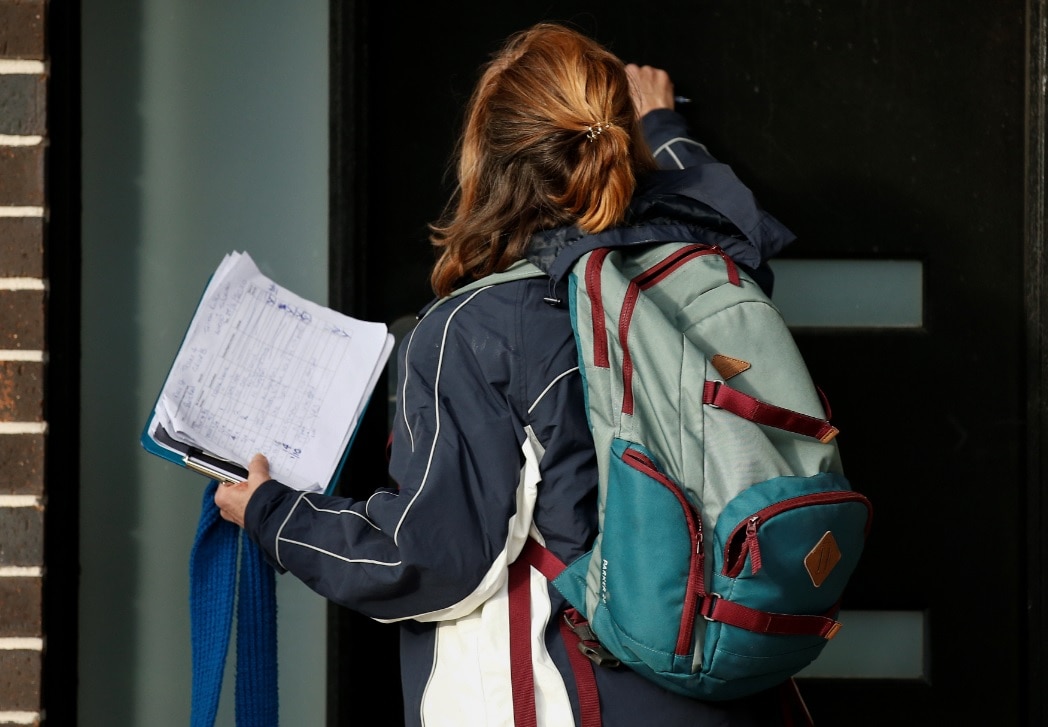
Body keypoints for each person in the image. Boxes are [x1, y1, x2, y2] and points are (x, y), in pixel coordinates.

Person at [216, 22, 796, 727]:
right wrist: (663, 128)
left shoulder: (478, 328)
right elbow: (737, 218)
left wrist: (273, 512)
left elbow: (429, 560)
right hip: (738, 693)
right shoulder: (707, 266)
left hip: (578, 699)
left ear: (486, 160)